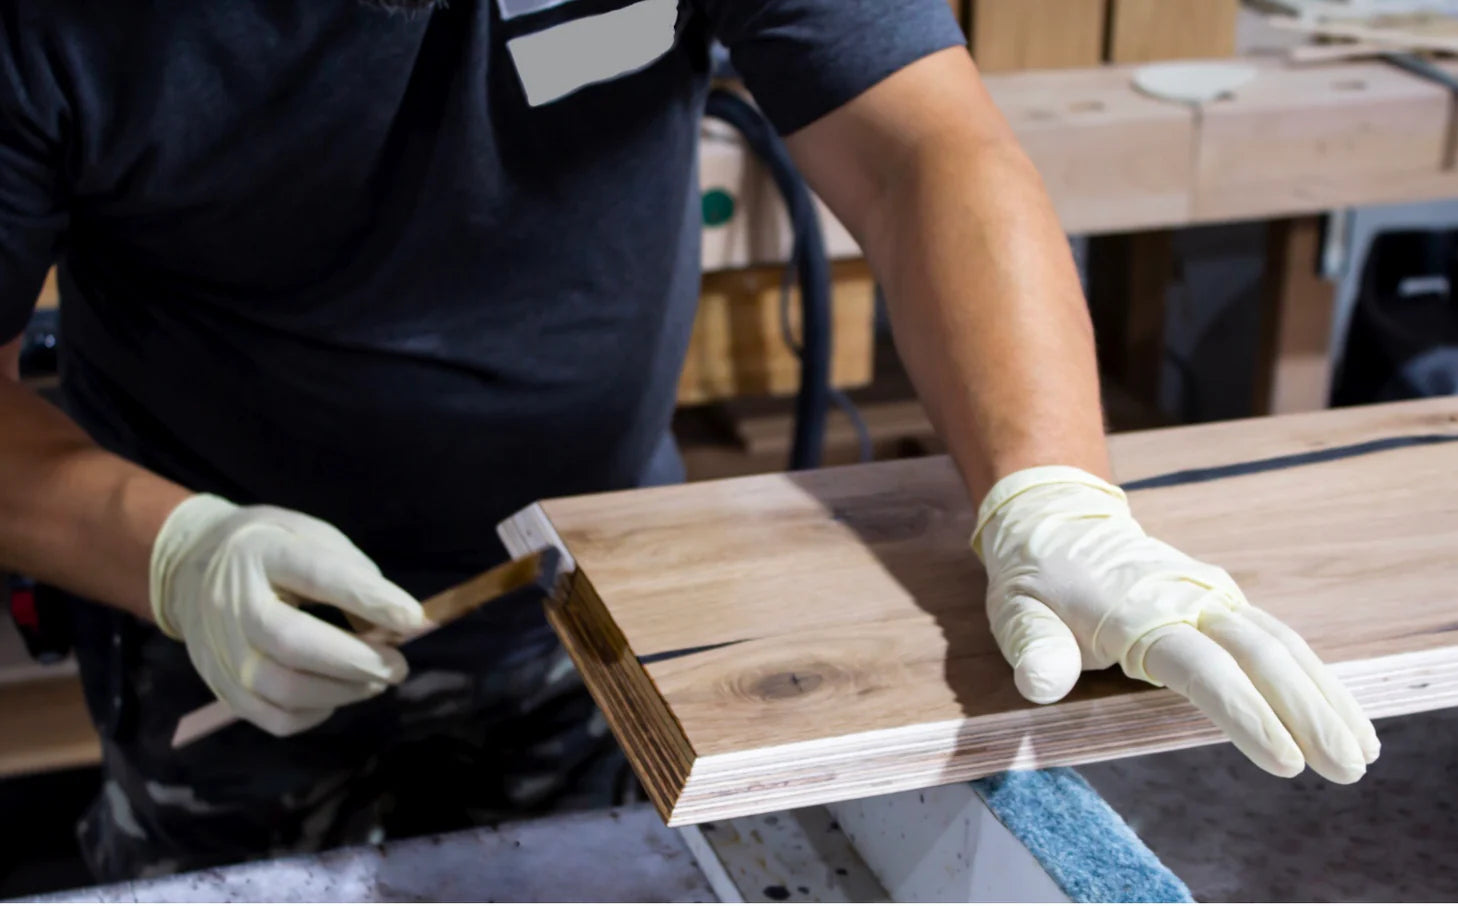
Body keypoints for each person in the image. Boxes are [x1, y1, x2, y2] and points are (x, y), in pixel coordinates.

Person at [0, 0, 1380, 882]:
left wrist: (1054, 496)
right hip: (220, 644)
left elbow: (922, 152)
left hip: (591, 604)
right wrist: (173, 551)